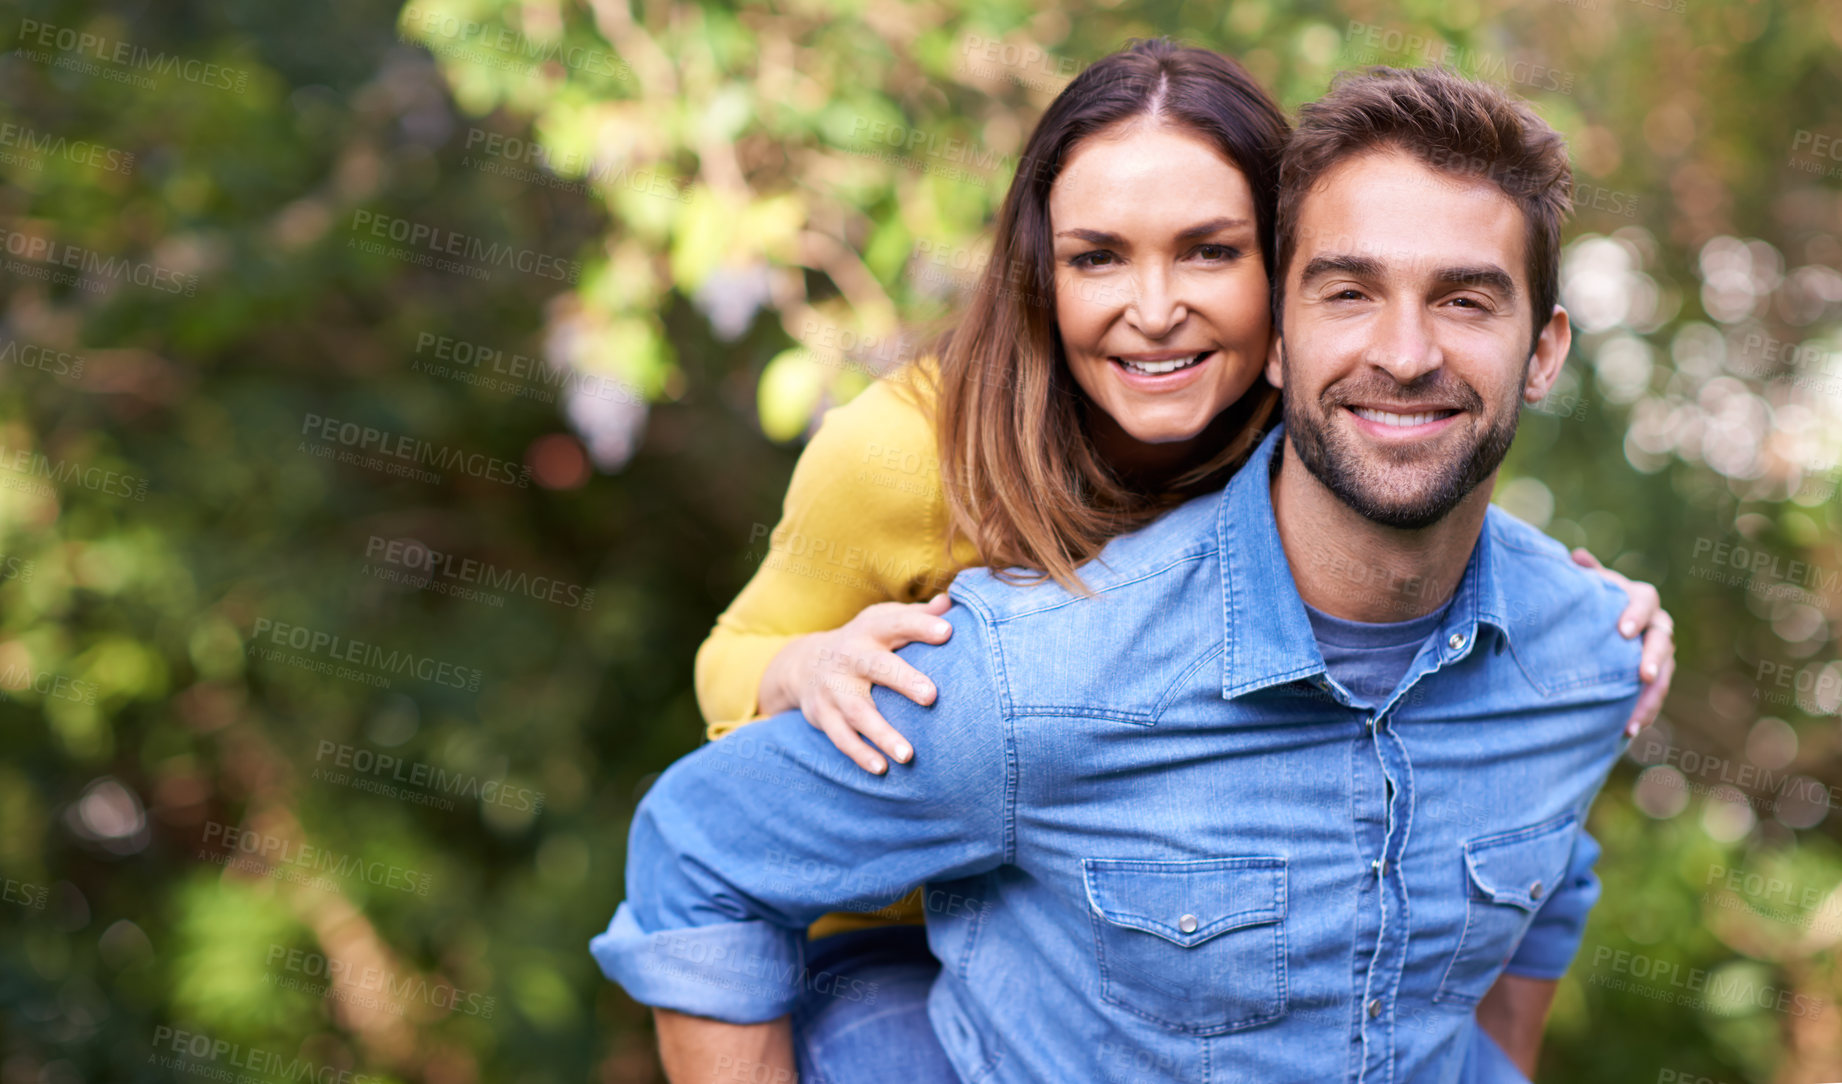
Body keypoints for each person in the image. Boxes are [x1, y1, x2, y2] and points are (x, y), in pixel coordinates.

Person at [595, 64, 1660, 1082]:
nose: (1155, 310)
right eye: (1098, 256)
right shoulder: (925, 487)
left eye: (1206, 251)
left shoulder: (1562, 640)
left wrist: (1580, 622)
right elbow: (710, 834)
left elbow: (1418, 493)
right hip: (891, 929)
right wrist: (800, 671)